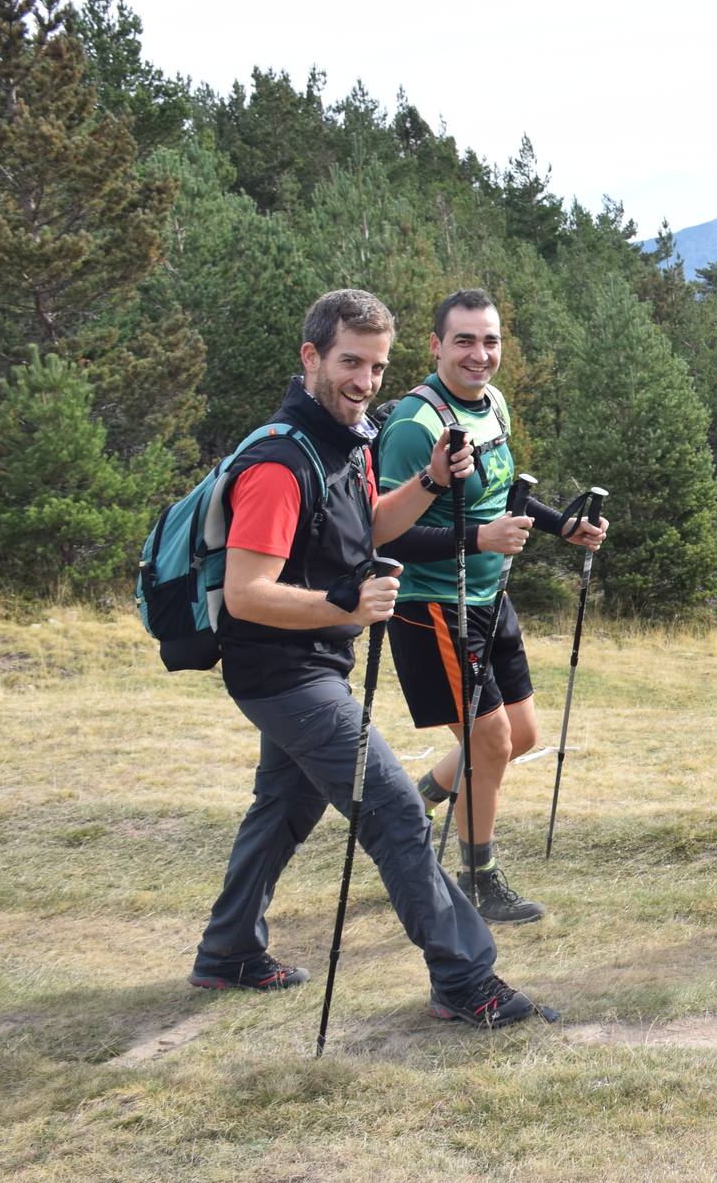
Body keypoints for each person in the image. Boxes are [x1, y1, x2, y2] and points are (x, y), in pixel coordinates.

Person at [191, 288, 547, 1027]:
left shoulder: (345, 443)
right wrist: (342, 609)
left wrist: (427, 484)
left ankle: (227, 952)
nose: (364, 381)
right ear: (310, 357)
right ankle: (465, 980)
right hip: (280, 672)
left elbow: (371, 528)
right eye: (350, 363)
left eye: (377, 368)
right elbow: (248, 591)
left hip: (314, 662)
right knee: (392, 809)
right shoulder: (280, 464)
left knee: (282, 808)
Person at [376, 288, 607, 923]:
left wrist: (563, 526)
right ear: (436, 346)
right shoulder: (415, 427)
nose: (480, 355)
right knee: (490, 741)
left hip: (488, 595)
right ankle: (479, 879)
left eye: (491, 340)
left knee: (520, 736)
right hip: (432, 606)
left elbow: (500, 494)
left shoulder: (492, 405)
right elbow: (386, 533)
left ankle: (413, 805)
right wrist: (479, 538)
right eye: (465, 341)